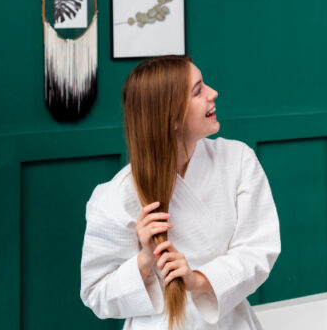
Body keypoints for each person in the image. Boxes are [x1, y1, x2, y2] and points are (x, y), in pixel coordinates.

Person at [80, 56, 280, 329]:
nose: (213, 93)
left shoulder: (238, 160)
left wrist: (198, 280)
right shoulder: (116, 196)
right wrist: (145, 259)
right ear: (171, 117)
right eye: (198, 91)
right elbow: (96, 293)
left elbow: (259, 251)